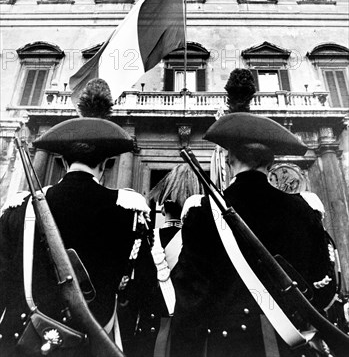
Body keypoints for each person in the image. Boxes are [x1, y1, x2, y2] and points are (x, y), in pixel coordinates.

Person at [171, 73, 337, 357]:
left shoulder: (204, 212)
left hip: (226, 346)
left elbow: (189, 297)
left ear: (228, 159)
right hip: (292, 345)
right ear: (271, 161)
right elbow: (325, 286)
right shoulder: (304, 211)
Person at [0, 80, 156, 356]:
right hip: (96, 343)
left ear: (61, 159)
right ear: (107, 162)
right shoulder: (130, 211)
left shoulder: (19, 209)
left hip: (27, 343)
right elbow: (143, 292)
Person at [124, 164, 203, 357]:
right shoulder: (203, 238)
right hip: (193, 333)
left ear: (162, 206)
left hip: (151, 328)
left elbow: (136, 289)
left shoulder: (147, 237)